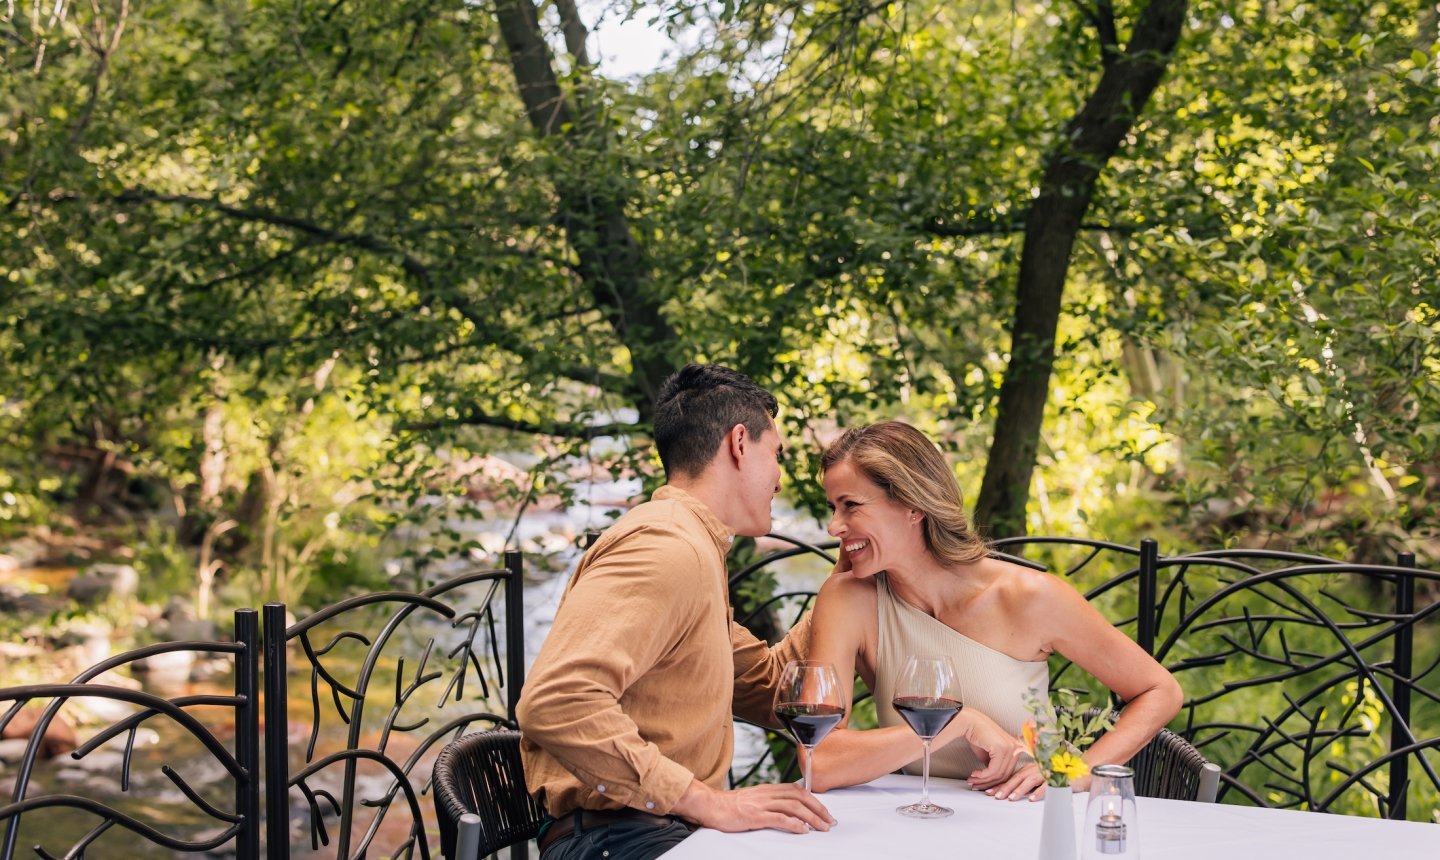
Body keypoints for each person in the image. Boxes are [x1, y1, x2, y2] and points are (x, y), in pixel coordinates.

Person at [516, 364, 834, 860]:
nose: (780, 477)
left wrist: (849, 583)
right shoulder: (666, 548)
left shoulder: (695, 550)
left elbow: (774, 691)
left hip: (656, 831)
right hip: (618, 839)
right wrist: (704, 801)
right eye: (778, 455)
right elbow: (556, 700)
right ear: (739, 444)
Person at [806, 421, 1182, 800]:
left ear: (912, 505)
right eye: (833, 508)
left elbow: (1159, 690)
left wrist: (1079, 774)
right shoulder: (849, 598)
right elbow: (817, 761)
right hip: (920, 819)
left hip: (1033, 815)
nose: (834, 526)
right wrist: (957, 723)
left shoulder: (1028, 596)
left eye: (851, 506)